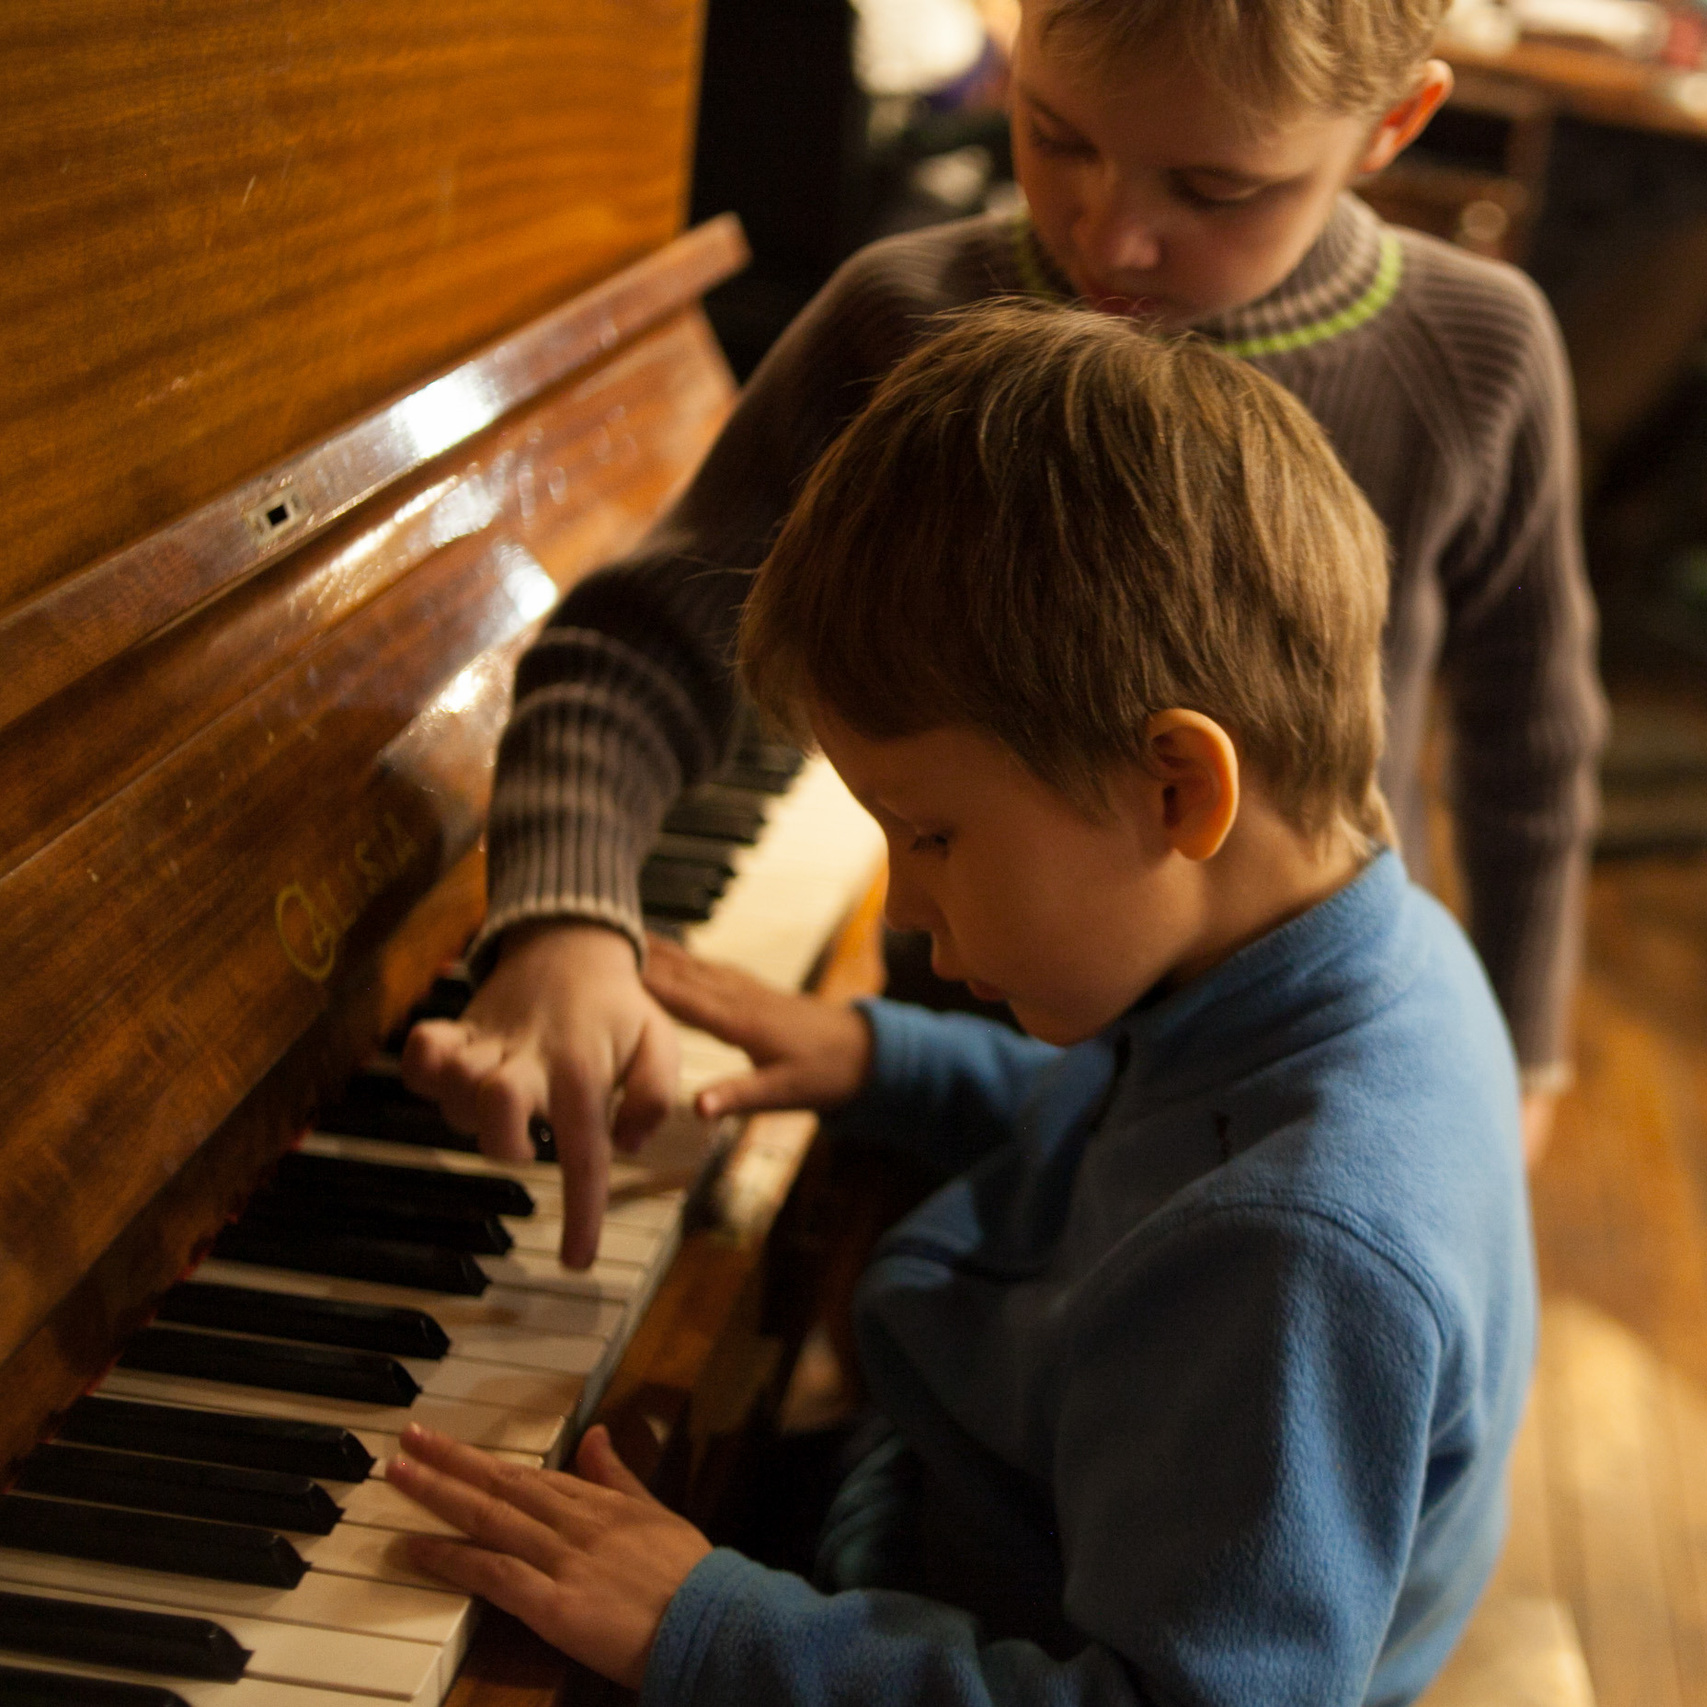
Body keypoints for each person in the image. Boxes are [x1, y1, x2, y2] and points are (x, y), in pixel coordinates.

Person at [386, 301, 1538, 1707]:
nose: (904, 912)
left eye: (930, 834)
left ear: (1181, 786)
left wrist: (713, 1624)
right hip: (1009, 1498)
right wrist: (883, 1055)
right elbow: (1139, 1141)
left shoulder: (1298, 1255)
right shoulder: (1360, 956)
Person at [402, 0, 1604, 1268]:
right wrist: (564, 913)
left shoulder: (1480, 353)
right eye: (1056, 136)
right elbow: (644, 643)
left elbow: (1531, 745)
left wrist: (1524, 1063)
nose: (1110, 232)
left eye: (1213, 186)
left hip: (1269, 1114)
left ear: (1393, 122)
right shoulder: (897, 310)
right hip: (949, 1089)